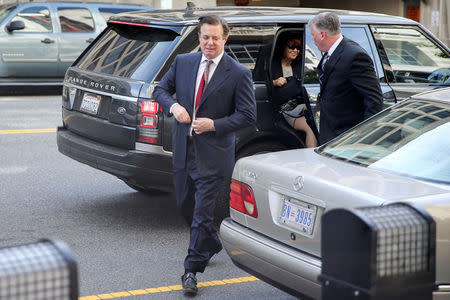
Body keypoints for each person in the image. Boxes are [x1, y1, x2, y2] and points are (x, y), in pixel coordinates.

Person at [153, 15, 256, 295]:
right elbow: (161, 90)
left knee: (201, 213)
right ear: (199, 37)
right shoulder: (184, 62)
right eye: (205, 37)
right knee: (185, 203)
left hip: (214, 155)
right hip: (184, 150)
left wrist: (215, 125)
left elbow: (247, 115)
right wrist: (174, 108)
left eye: (215, 38)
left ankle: (191, 269)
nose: (209, 43)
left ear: (225, 38)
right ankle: (210, 241)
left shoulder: (238, 73)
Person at [309, 12, 383, 144]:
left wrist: (363, 136)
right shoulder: (330, 53)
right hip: (330, 134)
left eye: (313, 35)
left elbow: (374, 99)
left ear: (322, 35)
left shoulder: (355, 56)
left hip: (346, 137)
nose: (313, 39)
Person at [270, 34, 318, 148]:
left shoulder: (299, 66)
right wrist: (275, 82)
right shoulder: (273, 65)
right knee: (311, 127)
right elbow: (263, 82)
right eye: (292, 46)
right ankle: (312, 161)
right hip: (286, 110)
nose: (295, 50)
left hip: (301, 105)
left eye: (298, 48)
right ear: (284, 48)